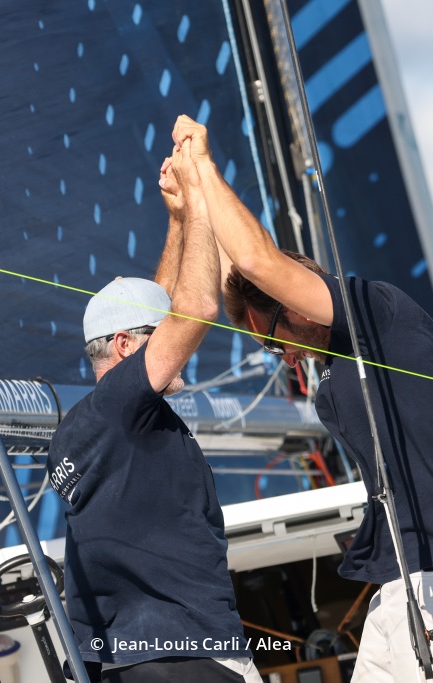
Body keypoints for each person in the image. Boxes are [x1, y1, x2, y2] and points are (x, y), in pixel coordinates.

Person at [169, 115, 433, 683]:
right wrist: (190, 206)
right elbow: (232, 277)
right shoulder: (340, 364)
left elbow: (256, 264)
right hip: (401, 585)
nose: (283, 358)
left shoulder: (377, 312)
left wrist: (204, 163)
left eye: (275, 342)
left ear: (295, 304)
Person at [45, 139, 262, 683]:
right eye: (155, 335)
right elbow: (196, 308)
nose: (174, 342)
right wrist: (201, 193)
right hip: (185, 650)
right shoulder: (120, 406)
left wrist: (178, 221)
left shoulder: (92, 421)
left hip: (122, 658)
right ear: (123, 347)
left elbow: (158, 302)